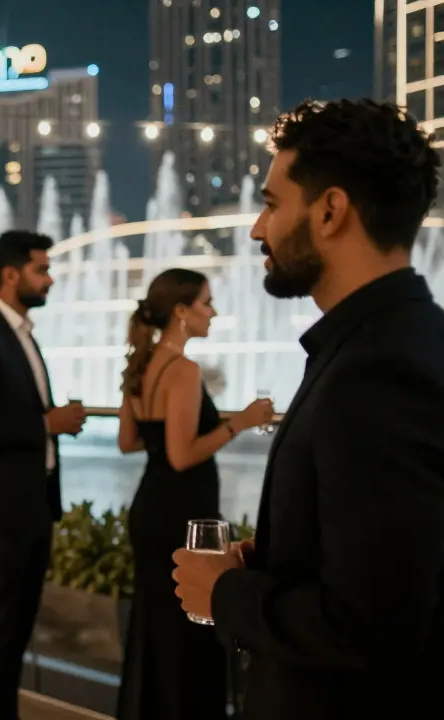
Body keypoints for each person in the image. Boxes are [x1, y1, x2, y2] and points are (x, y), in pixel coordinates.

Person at [172, 99, 444, 719]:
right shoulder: (390, 342)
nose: (256, 230)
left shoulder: (381, 371)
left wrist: (227, 594)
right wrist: (273, 564)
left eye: (271, 204)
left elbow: (374, 626)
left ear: (330, 210)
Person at [114, 268, 274, 720]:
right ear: (181, 312)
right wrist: (238, 422)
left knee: (156, 626)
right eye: (207, 302)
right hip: (183, 512)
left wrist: (167, 429)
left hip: (151, 507)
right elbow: (184, 456)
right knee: (190, 626)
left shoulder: (142, 363)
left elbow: (128, 441)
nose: (214, 311)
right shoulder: (181, 369)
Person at [0, 229, 85, 720]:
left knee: (15, 634)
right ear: (10, 275)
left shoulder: (21, 336)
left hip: (32, 506)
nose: (49, 279)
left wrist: (50, 425)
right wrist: (46, 423)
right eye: (41, 269)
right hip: (0, 512)